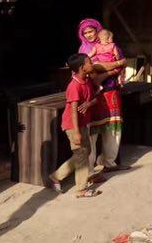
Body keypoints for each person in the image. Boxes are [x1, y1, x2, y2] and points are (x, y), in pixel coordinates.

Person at [78, 19, 127, 174]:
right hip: (92, 93)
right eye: (85, 33)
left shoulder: (111, 45)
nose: (89, 35)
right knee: (92, 132)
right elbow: (92, 68)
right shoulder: (84, 51)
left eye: (91, 31)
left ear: (98, 31)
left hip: (111, 91)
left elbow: (124, 62)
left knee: (113, 129)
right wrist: (113, 68)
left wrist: (113, 68)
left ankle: (109, 162)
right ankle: (89, 170)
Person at [49, 54, 101, 198]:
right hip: (73, 125)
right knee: (81, 154)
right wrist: (77, 132)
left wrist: (89, 104)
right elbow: (73, 112)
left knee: (85, 152)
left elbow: (95, 98)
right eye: (89, 62)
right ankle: (80, 189)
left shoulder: (87, 80)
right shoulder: (74, 86)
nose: (92, 63)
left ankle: (55, 176)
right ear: (82, 67)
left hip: (82, 123)